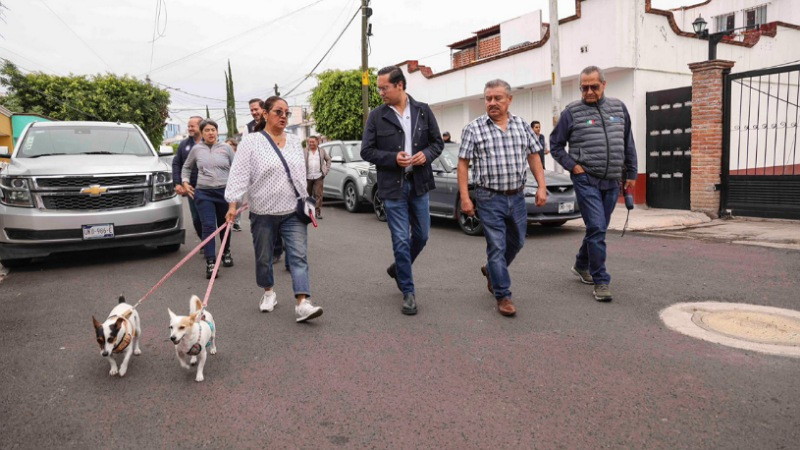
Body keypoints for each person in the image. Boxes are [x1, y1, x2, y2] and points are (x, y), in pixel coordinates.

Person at [225, 95, 323, 323]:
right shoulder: (251, 142)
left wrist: (307, 201)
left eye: (286, 113)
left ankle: (303, 304)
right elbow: (239, 175)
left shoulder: (294, 140)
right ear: (266, 114)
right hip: (263, 212)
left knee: (298, 256)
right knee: (264, 257)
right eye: (279, 111)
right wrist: (233, 204)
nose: (283, 116)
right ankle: (268, 292)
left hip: (292, 212)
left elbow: (300, 176)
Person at [458, 79, 547, 317]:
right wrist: (466, 197)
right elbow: (463, 164)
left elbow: (534, 156)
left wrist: (541, 186)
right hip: (488, 197)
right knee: (496, 245)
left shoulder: (522, 126)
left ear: (509, 99)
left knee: (517, 241)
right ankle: (503, 295)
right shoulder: (473, 128)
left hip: (517, 196)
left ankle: (492, 270)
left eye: (498, 98)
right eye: (488, 98)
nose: (492, 103)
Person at [549, 65, 637, 302]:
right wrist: (573, 167)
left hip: (612, 180)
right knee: (597, 227)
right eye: (584, 87)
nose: (589, 91)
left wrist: (632, 173)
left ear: (604, 85)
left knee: (597, 228)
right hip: (586, 179)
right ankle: (601, 281)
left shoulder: (619, 108)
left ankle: (581, 264)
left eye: (594, 87)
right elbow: (555, 145)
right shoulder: (572, 112)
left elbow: (628, 142)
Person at [361, 65, 443, 316]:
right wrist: (392, 158)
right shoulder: (376, 116)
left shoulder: (423, 111)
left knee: (422, 235)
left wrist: (425, 156)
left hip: (419, 183)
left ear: (400, 85)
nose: (380, 92)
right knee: (399, 238)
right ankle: (408, 291)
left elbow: (437, 143)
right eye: (378, 88)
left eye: (384, 87)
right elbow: (367, 151)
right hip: (392, 186)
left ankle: (398, 267)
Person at [181, 120, 236, 279]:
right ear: (202, 133)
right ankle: (211, 262)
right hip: (204, 193)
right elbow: (186, 167)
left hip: (224, 193)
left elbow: (237, 168)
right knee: (208, 226)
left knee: (224, 224)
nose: (210, 133)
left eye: (213, 130)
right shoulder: (196, 150)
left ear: (217, 132)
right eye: (207, 130)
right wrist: (185, 182)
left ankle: (226, 251)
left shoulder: (226, 148)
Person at [172, 116, 203, 240]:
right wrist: (177, 183)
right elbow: (176, 164)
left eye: (192, 126)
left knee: (209, 218)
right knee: (196, 218)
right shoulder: (184, 144)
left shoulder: (208, 142)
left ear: (200, 126)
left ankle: (211, 244)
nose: (189, 128)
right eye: (188, 126)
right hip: (191, 188)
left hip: (208, 187)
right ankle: (204, 240)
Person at [304, 135, 330, 219]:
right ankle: (308, 212)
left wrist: (326, 170)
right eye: (309, 142)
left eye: (313, 142)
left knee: (319, 195)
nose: (311, 143)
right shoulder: (304, 151)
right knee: (307, 195)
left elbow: (328, 159)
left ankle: (317, 212)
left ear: (317, 142)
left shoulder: (322, 151)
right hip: (307, 177)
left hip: (318, 176)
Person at [226, 137, 242, 231]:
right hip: (225, 182)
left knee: (238, 203)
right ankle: (227, 220)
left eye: (231, 144)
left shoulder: (239, 155)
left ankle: (236, 222)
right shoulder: (222, 155)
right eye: (227, 144)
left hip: (238, 183)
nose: (228, 146)